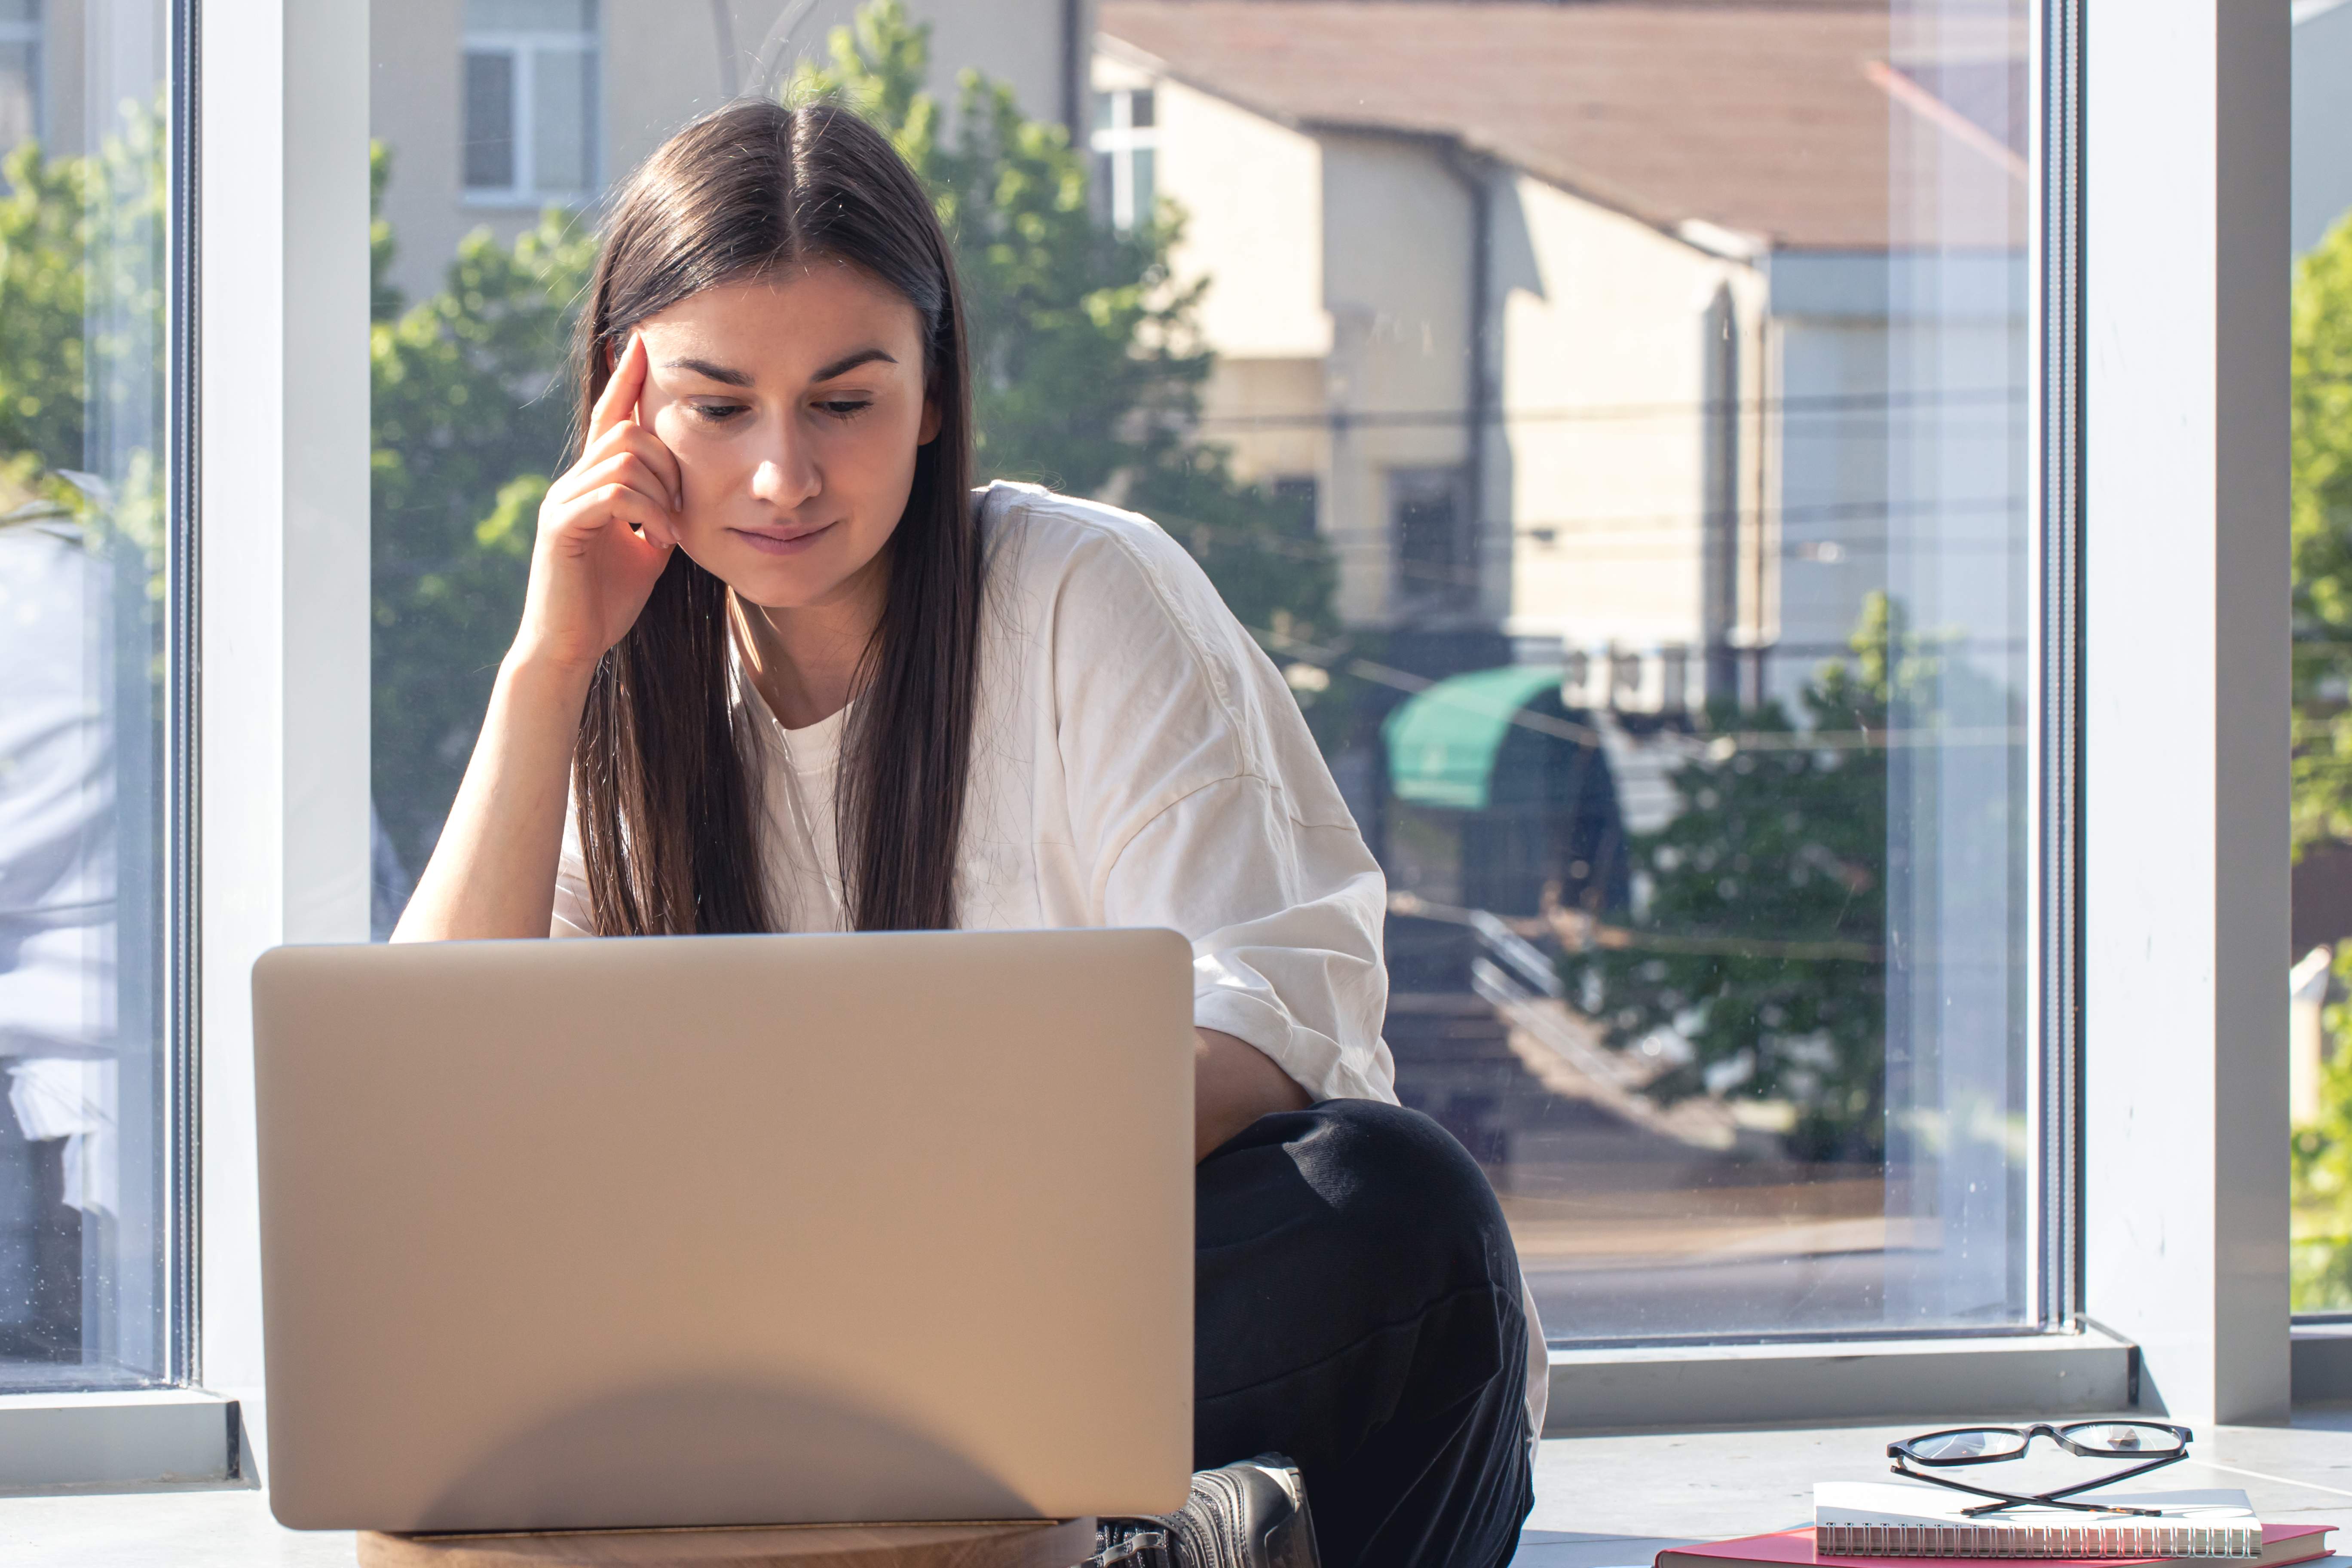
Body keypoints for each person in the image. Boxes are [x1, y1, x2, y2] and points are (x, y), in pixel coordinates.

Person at [392, 98, 1539, 1568]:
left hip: (1073, 1328)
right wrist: (544, 667)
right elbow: (427, 1106)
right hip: (761, 1360)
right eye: (720, 404)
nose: (783, 476)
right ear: (628, 415)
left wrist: (877, 1194)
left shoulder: (1083, 590)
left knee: (1392, 1212)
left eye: (846, 400)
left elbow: (1274, 1029)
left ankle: (1156, 1530)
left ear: (934, 396)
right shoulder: (614, 679)